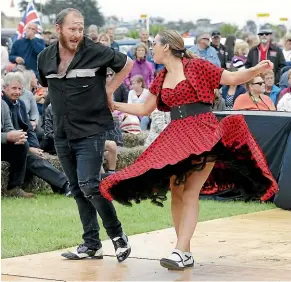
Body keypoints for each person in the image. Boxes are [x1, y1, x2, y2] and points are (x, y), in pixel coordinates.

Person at [99, 30, 279, 270]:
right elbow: (144, 109)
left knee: (191, 191)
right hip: (177, 135)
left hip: (203, 132)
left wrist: (257, 69)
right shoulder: (161, 76)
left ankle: (180, 250)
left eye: (155, 44)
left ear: (167, 47)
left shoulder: (197, 66)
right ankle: (184, 250)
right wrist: (113, 104)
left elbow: (233, 78)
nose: (151, 48)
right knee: (176, 191)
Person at [37, 8, 133, 262]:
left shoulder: (95, 51)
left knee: (90, 185)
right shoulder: (44, 58)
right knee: (77, 189)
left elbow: (127, 63)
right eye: (72, 28)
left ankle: (118, 236)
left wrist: (109, 90)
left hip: (91, 130)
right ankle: (91, 244)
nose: (78, 33)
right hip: (61, 133)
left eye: (80, 28)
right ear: (58, 28)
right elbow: (50, 87)